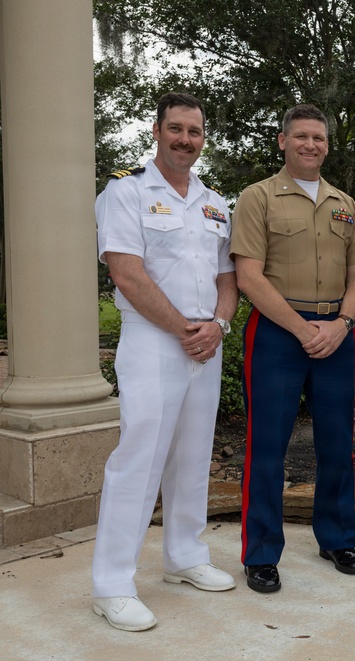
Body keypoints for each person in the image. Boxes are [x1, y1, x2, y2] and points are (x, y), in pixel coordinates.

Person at [93, 92, 238, 631]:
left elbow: (228, 277)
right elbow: (127, 274)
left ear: (203, 138)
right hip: (155, 340)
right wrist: (185, 329)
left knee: (193, 454)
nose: (185, 139)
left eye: (194, 131)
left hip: (206, 341)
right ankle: (111, 584)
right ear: (156, 131)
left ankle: (183, 555)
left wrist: (218, 325)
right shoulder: (126, 191)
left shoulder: (214, 202)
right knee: (139, 457)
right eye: (175, 128)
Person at [231, 104, 355, 593]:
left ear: (327, 145)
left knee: (338, 443)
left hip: (336, 333)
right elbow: (248, 276)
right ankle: (261, 553)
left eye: (319, 138)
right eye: (302, 136)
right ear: (283, 141)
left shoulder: (344, 203)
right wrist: (301, 329)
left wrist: (342, 324)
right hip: (277, 332)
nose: (311, 145)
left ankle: (338, 538)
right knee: (267, 448)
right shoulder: (258, 198)